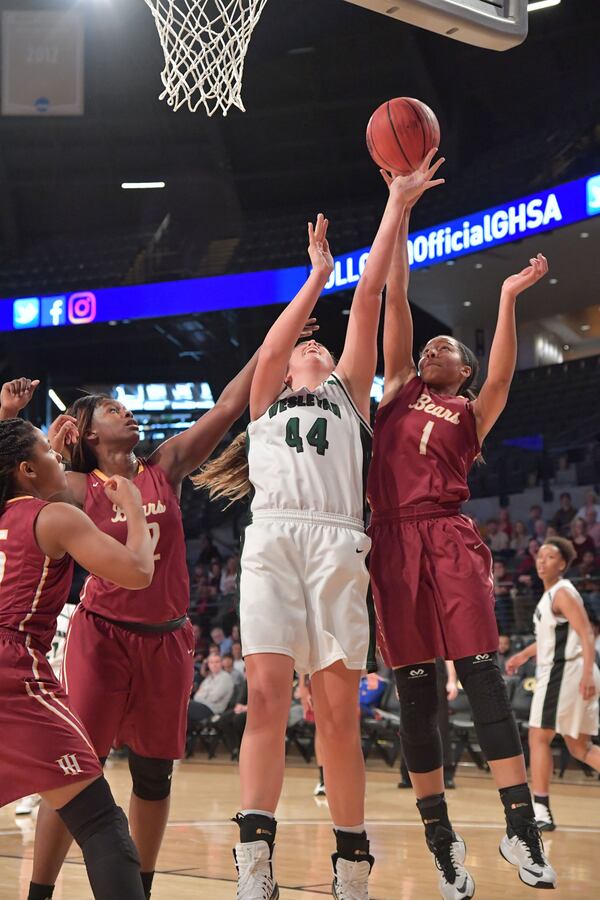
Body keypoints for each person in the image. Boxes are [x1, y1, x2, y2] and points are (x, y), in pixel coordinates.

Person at [196, 171, 443, 898]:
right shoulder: (267, 398)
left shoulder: (350, 397)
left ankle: (352, 863)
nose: (318, 350)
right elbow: (270, 352)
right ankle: (254, 859)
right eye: (313, 347)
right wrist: (314, 277)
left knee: (336, 715)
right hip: (272, 542)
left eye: (325, 350)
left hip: (337, 542)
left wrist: (396, 205)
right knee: (268, 697)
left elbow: (369, 300)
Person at [28, 316, 318, 900]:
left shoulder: (164, 466)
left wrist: (275, 341)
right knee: (73, 772)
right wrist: (14, 421)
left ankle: (144, 888)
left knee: (154, 776)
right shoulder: (74, 488)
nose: (127, 411)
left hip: (168, 639)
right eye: (111, 409)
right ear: (84, 434)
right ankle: (40, 892)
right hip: (102, 637)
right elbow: (13, 479)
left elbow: (232, 404)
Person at [367, 161, 555, 899]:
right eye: (426, 349)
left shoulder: (470, 410)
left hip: (446, 537)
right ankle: (441, 845)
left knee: (481, 680)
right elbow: (397, 293)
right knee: (417, 697)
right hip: (390, 542)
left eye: (444, 350)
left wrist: (508, 298)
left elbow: (504, 377)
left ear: (463, 369)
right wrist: (402, 208)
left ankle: (521, 829)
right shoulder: (396, 389)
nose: (428, 352)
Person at [0, 412, 156, 900]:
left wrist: (8, 418)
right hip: (12, 672)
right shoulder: (53, 516)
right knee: (102, 826)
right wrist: (133, 508)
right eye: (47, 451)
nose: (57, 458)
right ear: (25, 470)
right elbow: (136, 573)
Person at [506, 538, 600, 832]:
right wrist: (523, 654)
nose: (542, 560)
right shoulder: (550, 596)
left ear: (562, 564)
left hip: (566, 673)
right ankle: (542, 806)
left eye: (549, 557)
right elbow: (550, 639)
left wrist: (586, 674)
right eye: (540, 556)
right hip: (567, 670)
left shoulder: (562, 592)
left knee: (538, 737)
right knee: (580, 748)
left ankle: (541, 808)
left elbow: (586, 633)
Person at [188, 652, 235, 731]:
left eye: (217, 662)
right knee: (183, 709)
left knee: (185, 706)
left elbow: (214, 698)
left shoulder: (225, 677)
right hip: (203, 706)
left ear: (221, 663)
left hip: (213, 710)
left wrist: (204, 692)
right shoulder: (209, 678)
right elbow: (196, 697)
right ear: (208, 665)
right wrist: (208, 692)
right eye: (212, 662)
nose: (214, 664)